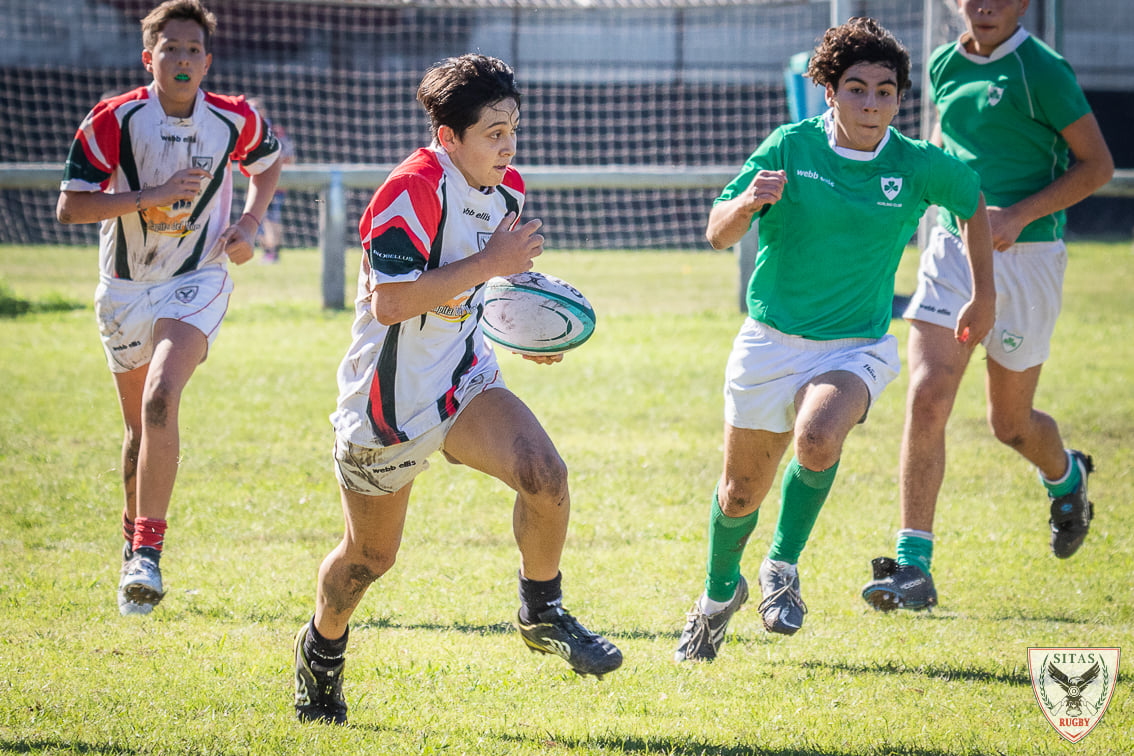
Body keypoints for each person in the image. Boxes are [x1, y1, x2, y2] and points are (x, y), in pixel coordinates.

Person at [293, 53, 622, 725]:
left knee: (544, 474)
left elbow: (486, 285)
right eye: (494, 132)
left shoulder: (509, 189)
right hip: (387, 404)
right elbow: (390, 303)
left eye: (514, 128)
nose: (508, 145)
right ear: (450, 138)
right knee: (369, 558)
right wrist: (489, 263)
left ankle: (542, 609)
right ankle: (321, 651)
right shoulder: (409, 190)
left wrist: (525, 328)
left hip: (465, 378)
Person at [673, 17, 995, 661]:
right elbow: (716, 232)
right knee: (739, 493)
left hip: (856, 347)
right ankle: (715, 600)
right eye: (856, 89)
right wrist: (746, 204)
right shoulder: (790, 146)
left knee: (818, 437)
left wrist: (985, 295)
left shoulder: (917, 164)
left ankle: (781, 569)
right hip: (768, 342)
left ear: (900, 97)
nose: (871, 104)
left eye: (884, 90)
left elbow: (973, 204)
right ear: (829, 91)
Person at [861, 0, 1114, 612]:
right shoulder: (944, 65)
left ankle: (1066, 477)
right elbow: (944, 156)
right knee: (928, 395)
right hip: (951, 249)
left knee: (1011, 425)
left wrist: (1020, 214)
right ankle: (913, 568)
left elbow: (1099, 166)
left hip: (1029, 262)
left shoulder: (1042, 70)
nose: (985, 4)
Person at [56, 0, 283, 616]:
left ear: (207, 61)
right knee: (136, 434)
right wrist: (149, 196)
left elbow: (269, 163)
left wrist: (249, 223)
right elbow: (71, 207)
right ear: (147, 57)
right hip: (125, 289)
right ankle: (132, 555)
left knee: (162, 395)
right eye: (170, 49)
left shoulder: (234, 119)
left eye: (192, 50)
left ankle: (150, 556)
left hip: (197, 280)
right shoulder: (114, 119)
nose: (181, 60)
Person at [246, 98, 296, 264]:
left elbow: (289, 155)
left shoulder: (274, 132)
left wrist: (281, 173)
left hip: (276, 184)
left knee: (271, 219)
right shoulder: (244, 129)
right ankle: (266, 252)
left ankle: (273, 253)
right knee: (257, 219)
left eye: (254, 108)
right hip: (255, 182)